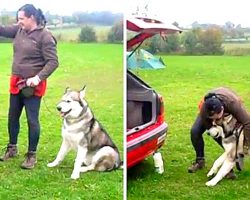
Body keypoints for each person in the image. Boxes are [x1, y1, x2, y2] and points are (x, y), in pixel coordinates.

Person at [0, 4, 58, 169]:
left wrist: (38, 78)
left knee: (32, 120)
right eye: (18, 19)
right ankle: (12, 148)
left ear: (32, 18)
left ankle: (31, 155)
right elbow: (2, 30)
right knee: (12, 116)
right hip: (16, 82)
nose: (19, 22)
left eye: (21, 19)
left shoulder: (45, 36)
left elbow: (53, 62)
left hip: (32, 86)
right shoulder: (19, 30)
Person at [188, 87, 250, 177]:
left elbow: (248, 123)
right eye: (213, 118)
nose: (215, 121)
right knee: (195, 131)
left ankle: (232, 161)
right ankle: (200, 161)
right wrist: (212, 128)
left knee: (227, 138)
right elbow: (208, 123)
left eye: (217, 118)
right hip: (210, 110)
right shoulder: (204, 108)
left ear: (222, 109)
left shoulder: (233, 104)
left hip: (229, 100)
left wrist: (247, 144)